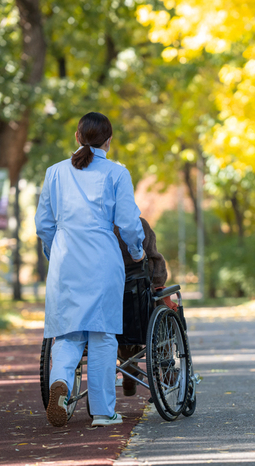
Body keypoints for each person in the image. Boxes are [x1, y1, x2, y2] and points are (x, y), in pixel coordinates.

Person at [35, 112, 146, 428]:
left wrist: (52, 253)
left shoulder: (55, 173)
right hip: (102, 261)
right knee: (102, 335)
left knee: (68, 334)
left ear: (77, 137)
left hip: (65, 260)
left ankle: (62, 384)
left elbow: (43, 224)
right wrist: (137, 253)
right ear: (109, 141)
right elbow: (128, 222)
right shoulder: (116, 173)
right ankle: (102, 412)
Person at [114, 218, 178, 396]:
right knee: (161, 308)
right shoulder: (138, 224)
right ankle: (165, 365)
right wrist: (158, 283)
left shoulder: (93, 226)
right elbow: (156, 261)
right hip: (139, 307)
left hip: (105, 306)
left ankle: (130, 369)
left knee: (120, 320)